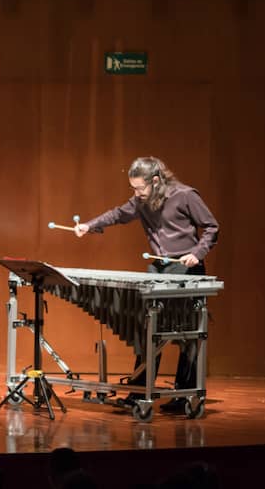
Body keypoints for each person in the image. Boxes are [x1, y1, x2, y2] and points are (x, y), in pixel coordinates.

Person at [73, 156, 219, 411]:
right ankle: (140, 392)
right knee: (147, 328)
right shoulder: (141, 201)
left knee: (187, 334)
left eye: (140, 188)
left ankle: (184, 395)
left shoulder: (185, 195)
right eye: (133, 188)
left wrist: (197, 253)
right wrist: (89, 225)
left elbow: (211, 227)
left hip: (186, 268)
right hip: (159, 267)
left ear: (155, 180)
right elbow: (118, 214)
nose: (136, 193)